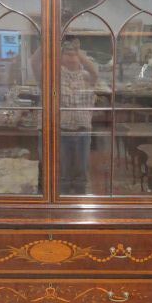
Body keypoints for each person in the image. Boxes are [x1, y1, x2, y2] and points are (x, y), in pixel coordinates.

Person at [59, 38, 98, 194]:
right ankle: (63, 202)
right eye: (67, 54)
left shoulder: (86, 76)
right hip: (63, 130)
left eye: (73, 54)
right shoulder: (57, 75)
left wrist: (77, 52)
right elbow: (40, 67)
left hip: (83, 130)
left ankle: (80, 201)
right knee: (65, 170)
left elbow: (95, 72)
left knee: (82, 170)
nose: (71, 57)